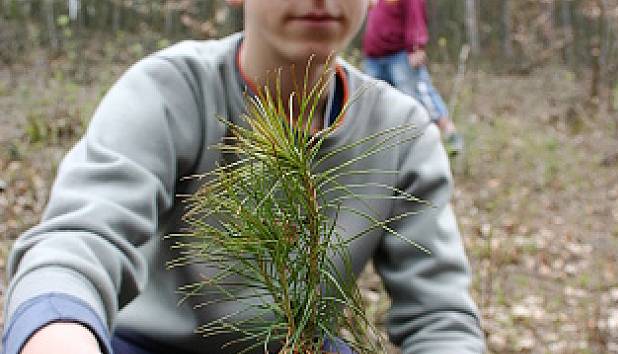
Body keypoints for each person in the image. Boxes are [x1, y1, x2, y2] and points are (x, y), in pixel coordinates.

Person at [2, 1, 484, 353]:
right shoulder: (170, 89)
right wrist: (57, 329)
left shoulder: (401, 131)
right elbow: (78, 242)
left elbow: (440, 319)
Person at [362, 0, 464, 156]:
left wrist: (416, 46)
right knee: (376, 105)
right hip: (374, 56)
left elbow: (415, 14)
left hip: (400, 55)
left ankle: (450, 134)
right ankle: (389, 152)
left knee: (419, 97)